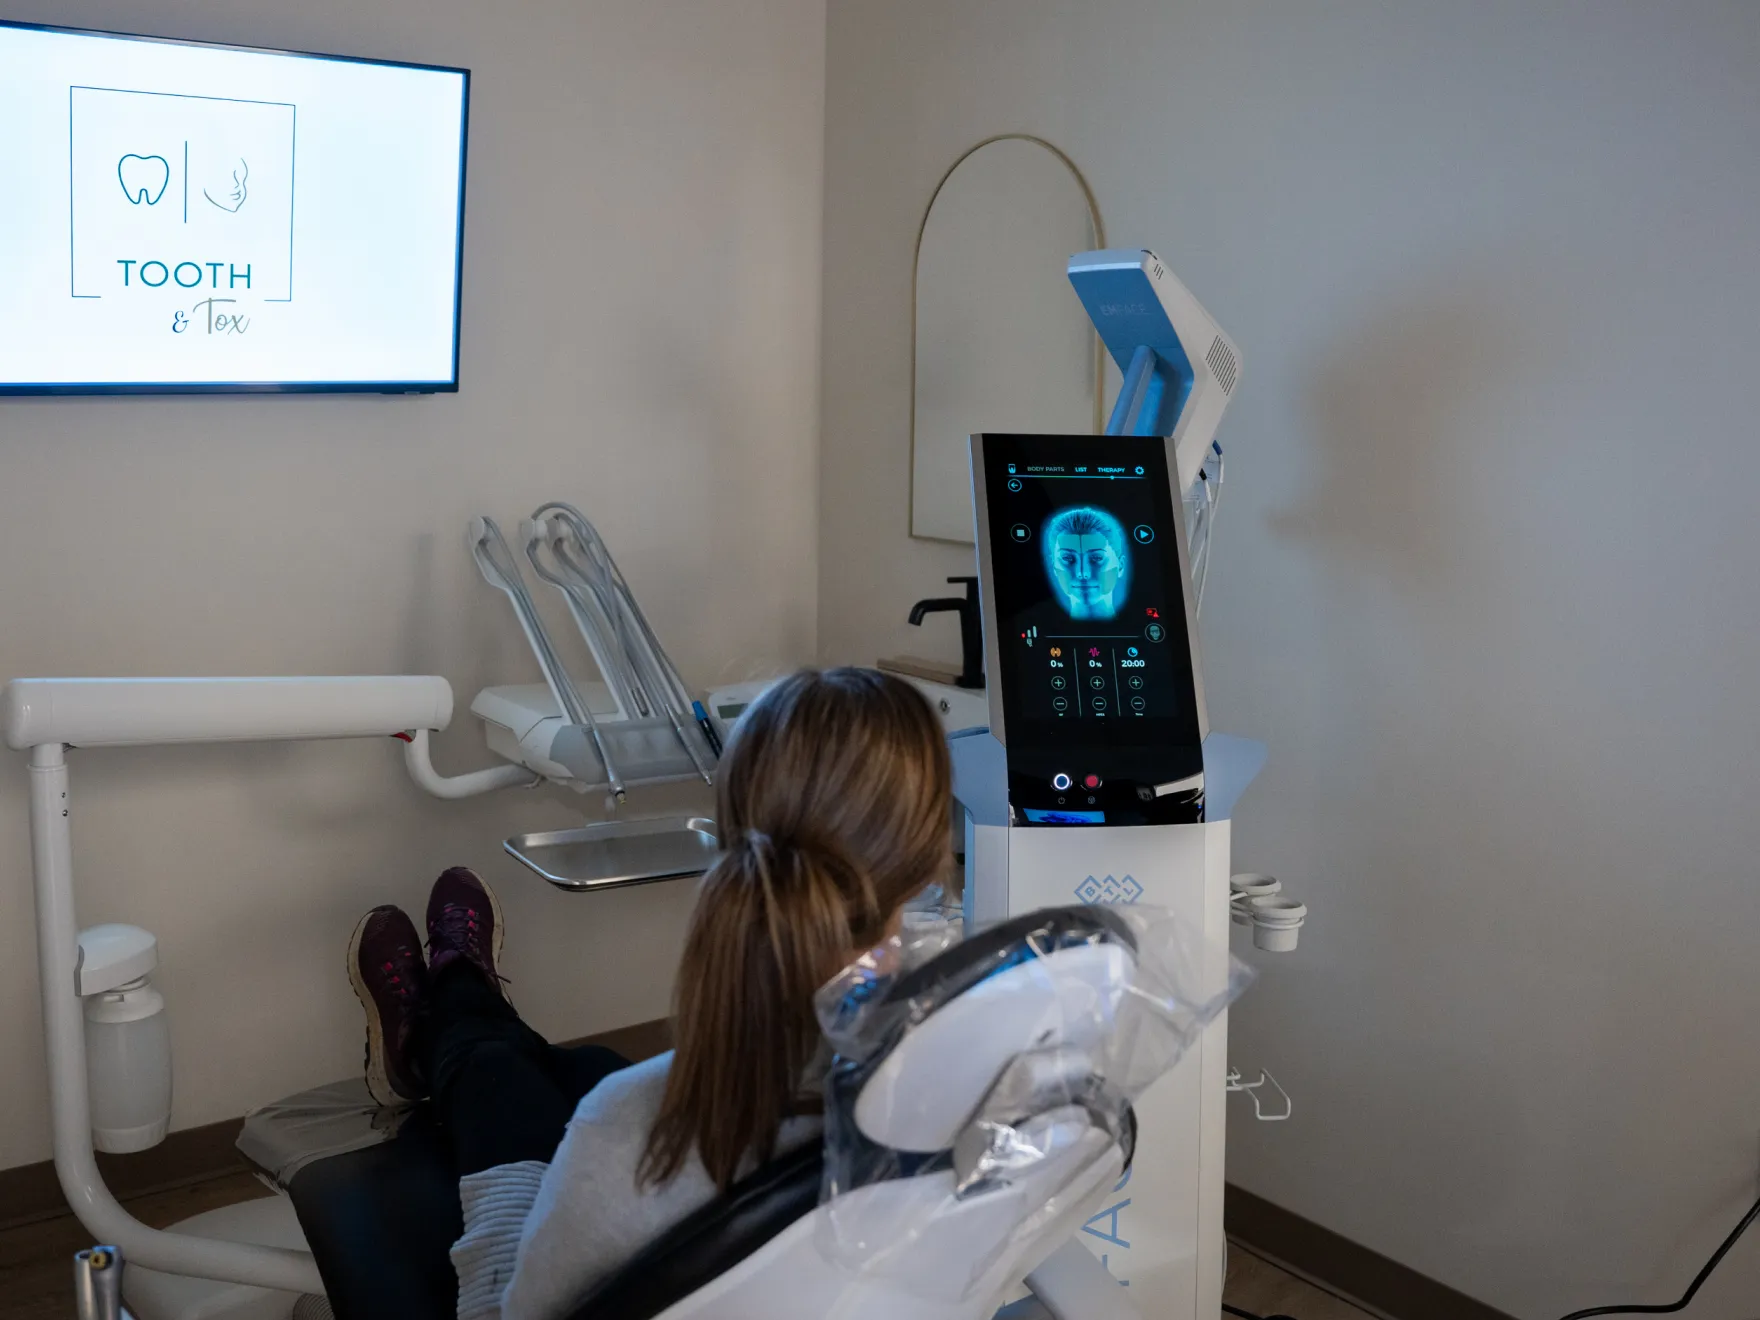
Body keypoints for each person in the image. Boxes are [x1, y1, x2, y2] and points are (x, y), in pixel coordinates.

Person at [345, 667, 953, 1320]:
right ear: (932, 854)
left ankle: (446, 1016)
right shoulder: (970, 1078)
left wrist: (520, 1199)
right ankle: (468, 1007)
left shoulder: (624, 1131)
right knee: (588, 1065)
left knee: (498, 1077)